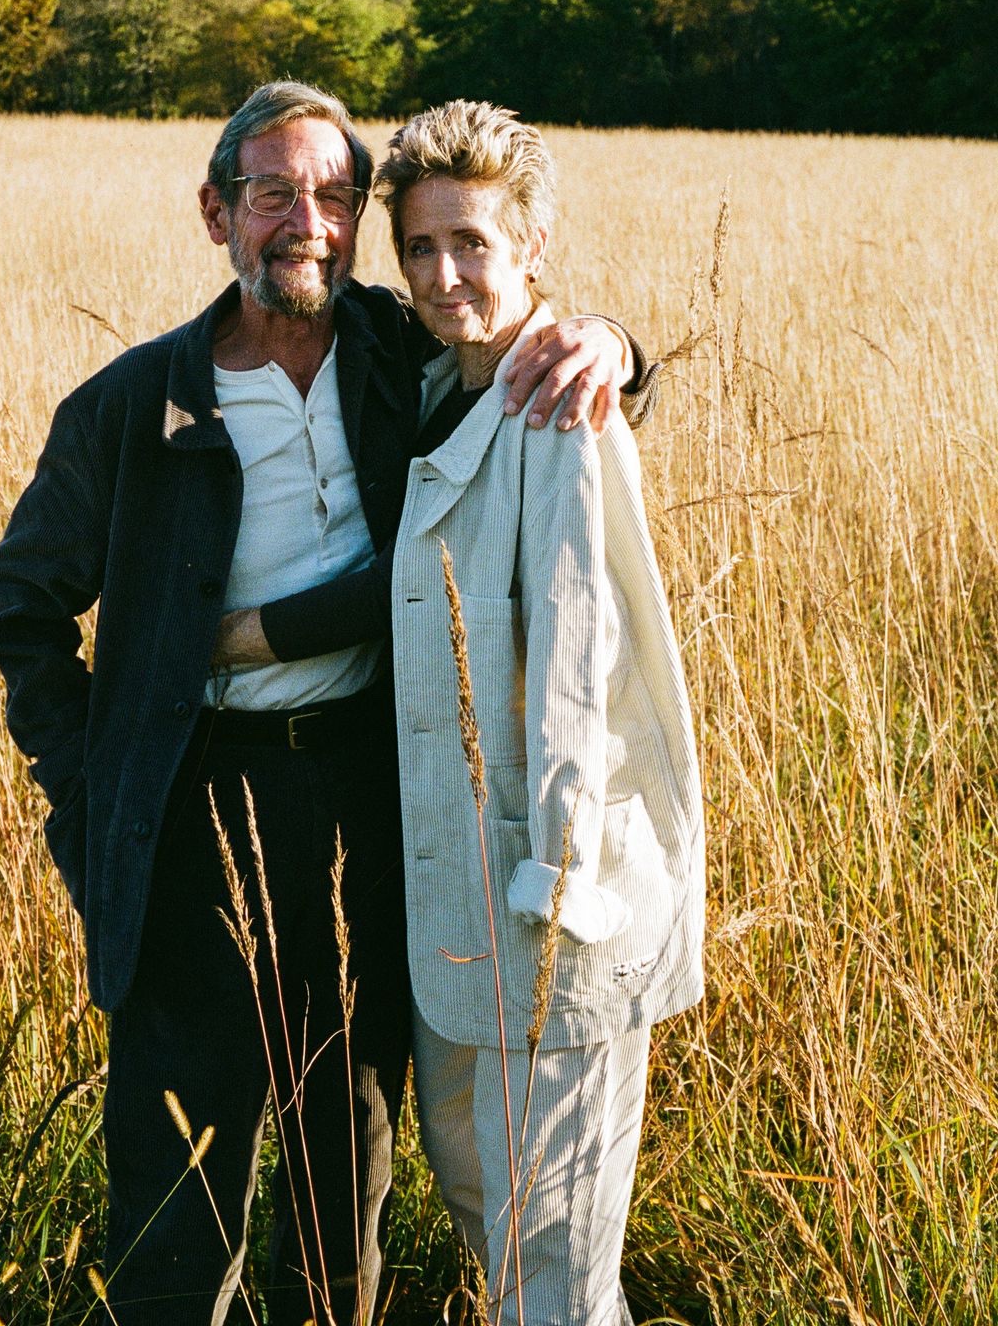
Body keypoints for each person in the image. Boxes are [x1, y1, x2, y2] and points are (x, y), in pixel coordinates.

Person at [0, 81, 655, 1326]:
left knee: (349, 1154)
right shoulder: (133, 407)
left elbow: (525, 363)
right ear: (215, 212)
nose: (310, 222)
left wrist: (610, 338)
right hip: (191, 811)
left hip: (370, 797)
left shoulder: (398, 359)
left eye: (336, 196)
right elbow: (18, 610)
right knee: (185, 1183)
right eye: (275, 193)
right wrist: (91, 795)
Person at [219, 100, 703, 1326]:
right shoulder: (425, 379)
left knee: (557, 1272)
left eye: (473, 244)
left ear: (533, 244)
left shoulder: (563, 411)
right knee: (498, 1226)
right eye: (420, 246)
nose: (442, 275)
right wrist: (237, 641)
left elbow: (584, 678)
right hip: (457, 914)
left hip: (556, 907)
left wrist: (610, 343)